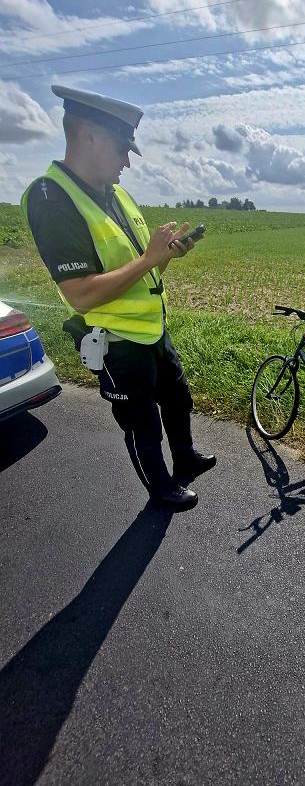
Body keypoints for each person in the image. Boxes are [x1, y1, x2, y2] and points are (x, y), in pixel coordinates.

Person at [21, 85, 216, 509]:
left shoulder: (118, 194)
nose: (127, 161)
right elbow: (80, 295)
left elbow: (142, 272)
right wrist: (149, 258)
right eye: (121, 148)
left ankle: (185, 457)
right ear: (89, 135)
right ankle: (160, 488)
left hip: (153, 329)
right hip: (116, 341)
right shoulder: (52, 198)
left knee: (178, 399)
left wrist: (164, 257)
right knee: (141, 423)